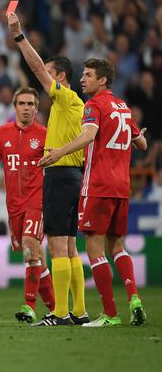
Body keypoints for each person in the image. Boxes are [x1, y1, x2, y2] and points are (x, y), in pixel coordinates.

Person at [39, 58, 148, 327]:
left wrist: (58, 153)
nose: (83, 79)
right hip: (122, 188)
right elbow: (142, 144)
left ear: (102, 80)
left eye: (88, 75)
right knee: (118, 247)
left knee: (95, 249)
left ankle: (110, 314)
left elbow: (88, 135)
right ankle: (134, 298)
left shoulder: (94, 105)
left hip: (98, 185)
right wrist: (136, 135)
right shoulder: (123, 107)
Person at [8, 12, 88, 326]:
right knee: (69, 246)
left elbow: (37, 67)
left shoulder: (65, 98)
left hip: (60, 175)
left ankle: (57, 313)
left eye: (52, 75)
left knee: (56, 245)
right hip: (74, 175)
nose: (46, 81)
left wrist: (18, 36)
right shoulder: (72, 105)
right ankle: (78, 311)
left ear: (61, 77)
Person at [0, 87, 55, 323]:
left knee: (31, 246)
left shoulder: (45, 134)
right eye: (22, 103)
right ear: (15, 107)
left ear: (36, 108)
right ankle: (56, 307)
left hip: (37, 200)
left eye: (31, 104)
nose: (26, 108)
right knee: (34, 256)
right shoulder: (1, 133)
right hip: (14, 205)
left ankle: (29, 306)